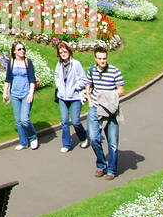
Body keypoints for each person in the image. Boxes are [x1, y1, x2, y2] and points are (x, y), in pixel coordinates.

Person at [85, 46, 125, 179]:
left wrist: (106, 96)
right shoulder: (91, 70)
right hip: (95, 109)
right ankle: (102, 164)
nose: (102, 61)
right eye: (100, 59)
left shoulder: (115, 71)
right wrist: (90, 100)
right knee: (94, 138)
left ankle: (112, 171)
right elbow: (88, 86)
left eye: (104, 58)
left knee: (113, 143)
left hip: (109, 110)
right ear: (95, 58)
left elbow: (121, 90)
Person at [53, 41, 89, 152]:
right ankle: (66, 144)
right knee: (64, 121)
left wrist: (75, 87)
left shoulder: (76, 64)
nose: (63, 54)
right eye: (61, 52)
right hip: (63, 97)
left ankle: (83, 137)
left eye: (65, 51)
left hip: (75, 97)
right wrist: (59, 86)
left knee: (75, 121)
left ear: (69, 51)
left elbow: (84, 79)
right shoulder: (59, 64)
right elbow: (57, 77)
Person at [3, 41, 39, 150]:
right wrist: (5, 92)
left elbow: (32, 79)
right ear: (14, 51)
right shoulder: (11, 63)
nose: (22, 51)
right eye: (19, 49)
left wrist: (31, 93)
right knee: (18, 120)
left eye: (23, 49)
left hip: (26, 94)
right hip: (14, 94)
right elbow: (8, 79)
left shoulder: (28, 62)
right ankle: (23, 142)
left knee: (24, 119)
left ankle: (33, 137)